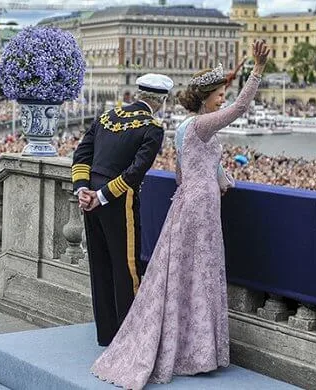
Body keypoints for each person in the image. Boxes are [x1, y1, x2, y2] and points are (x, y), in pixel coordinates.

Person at [89, 40, 270, 389]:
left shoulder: (188, 128)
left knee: (185, 275)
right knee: (200, 274)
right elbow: (241, 107)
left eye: (222, 94)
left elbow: (186, 170)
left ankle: (191, 348)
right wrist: (258, 69)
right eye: (219, 94)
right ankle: (198, 352)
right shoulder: (202, 125)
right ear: (206, 97)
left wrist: (221, 178)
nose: (222, 99)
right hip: (200, 207)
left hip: (190, 201)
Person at [71, 73, 174, 347]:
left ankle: (106, 333)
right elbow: (135, 172)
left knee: (100, 265)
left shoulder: (106, 117)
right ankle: (129, 336)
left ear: (138, 94)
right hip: (118, 202)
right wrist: (103, 195)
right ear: (161, 101)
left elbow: (81, 156)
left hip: (90, 198)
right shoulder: (152, 127)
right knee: (126, 268)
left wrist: (83, 189)